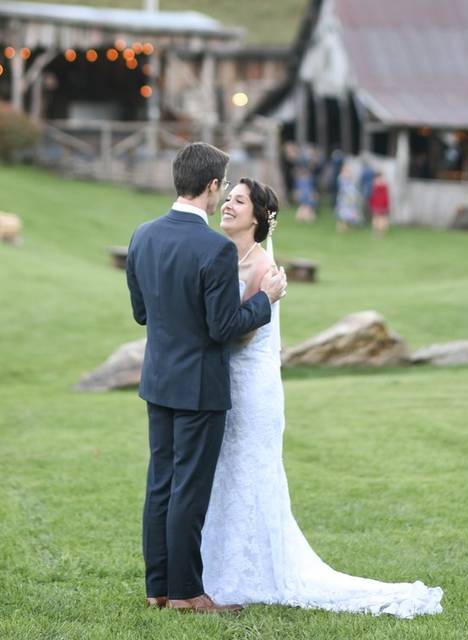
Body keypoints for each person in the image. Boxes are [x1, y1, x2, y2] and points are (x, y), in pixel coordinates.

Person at [200, 178, 444, 619]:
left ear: (257, 218)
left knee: (251, 474)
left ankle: (252, 572)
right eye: (228, 198)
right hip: (222, 385)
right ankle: (218, 565)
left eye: (238, 201)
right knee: (224, 476)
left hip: (251, 388)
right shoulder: (221, 258)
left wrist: (202, 332)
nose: (227, 206)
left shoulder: (262, 270)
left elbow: (241, 334)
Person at [125, 142, 288, 614]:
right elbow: (224, 328)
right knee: (188, 491)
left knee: (160, 484)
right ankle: (187, 593)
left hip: (158, 380)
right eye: (224, 189)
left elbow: (142, 313)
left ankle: (158, 588)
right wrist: (265, 302)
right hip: (199, 387)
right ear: (213, 186)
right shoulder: (214, 248)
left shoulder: (143, 235)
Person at [335, 164, 362, 232]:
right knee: (342, 214)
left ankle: (345, 227)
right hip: (344, 200)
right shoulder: (341, 179)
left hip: (349, 201)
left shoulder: (348, 180)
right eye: (347, 171)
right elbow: (346, 190)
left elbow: (353, 190)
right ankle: (341, 228)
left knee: (347, 215)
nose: (349, 173)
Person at [369, 171, 390, 236]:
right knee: (380, 218)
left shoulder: (374, 184)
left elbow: (371, 195)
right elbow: (385, 196)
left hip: (377, 203)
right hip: (380, 204)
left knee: (377, 218)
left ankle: (377, 232)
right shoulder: (383, 184)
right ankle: (380, 233)